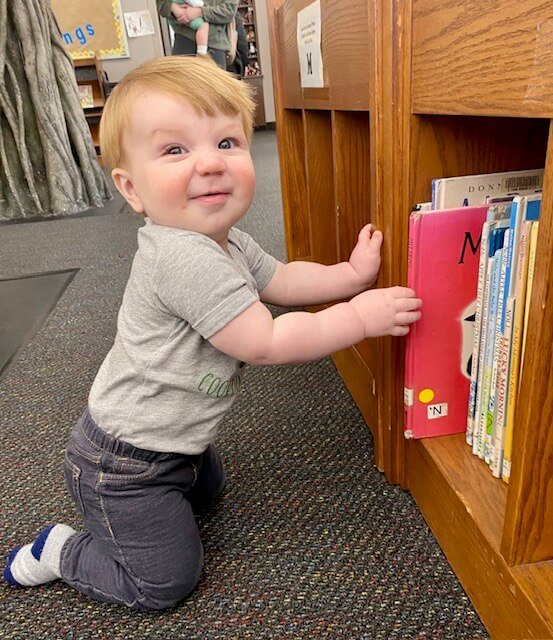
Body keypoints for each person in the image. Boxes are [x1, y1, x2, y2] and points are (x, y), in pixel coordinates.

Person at [3, 56, 422, 611]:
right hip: (124, 465)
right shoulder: (183, 259)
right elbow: (264, 342)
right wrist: (359, 318)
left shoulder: (225, 239)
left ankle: (177, 478)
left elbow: (283, 278)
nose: (210, 164)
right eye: (175, 150)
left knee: (211, 492)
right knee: (164, 583)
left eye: (227, 142)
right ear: (131, 189)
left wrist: (349, 276)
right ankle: (63, 550)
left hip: (176, 444)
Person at [157, 0, 237, 69]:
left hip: (214, 45)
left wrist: (200, 12)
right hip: (184, 40)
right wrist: (176, 10)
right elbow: (161, 4)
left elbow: (229, 11)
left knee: (213, 85)